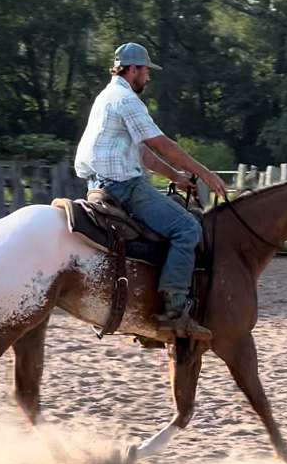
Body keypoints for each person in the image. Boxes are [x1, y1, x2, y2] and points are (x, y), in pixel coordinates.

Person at [74, 42, 227, 340]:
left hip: (98, 184)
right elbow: (162, 144)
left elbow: (142, 154)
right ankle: (174, 310)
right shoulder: (127, 100)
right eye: (145, 71)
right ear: (132, 69)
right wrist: (205, 174)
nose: (148, 77)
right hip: (124, 187)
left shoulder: (106, 97)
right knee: (187, 228)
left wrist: (177, 177)